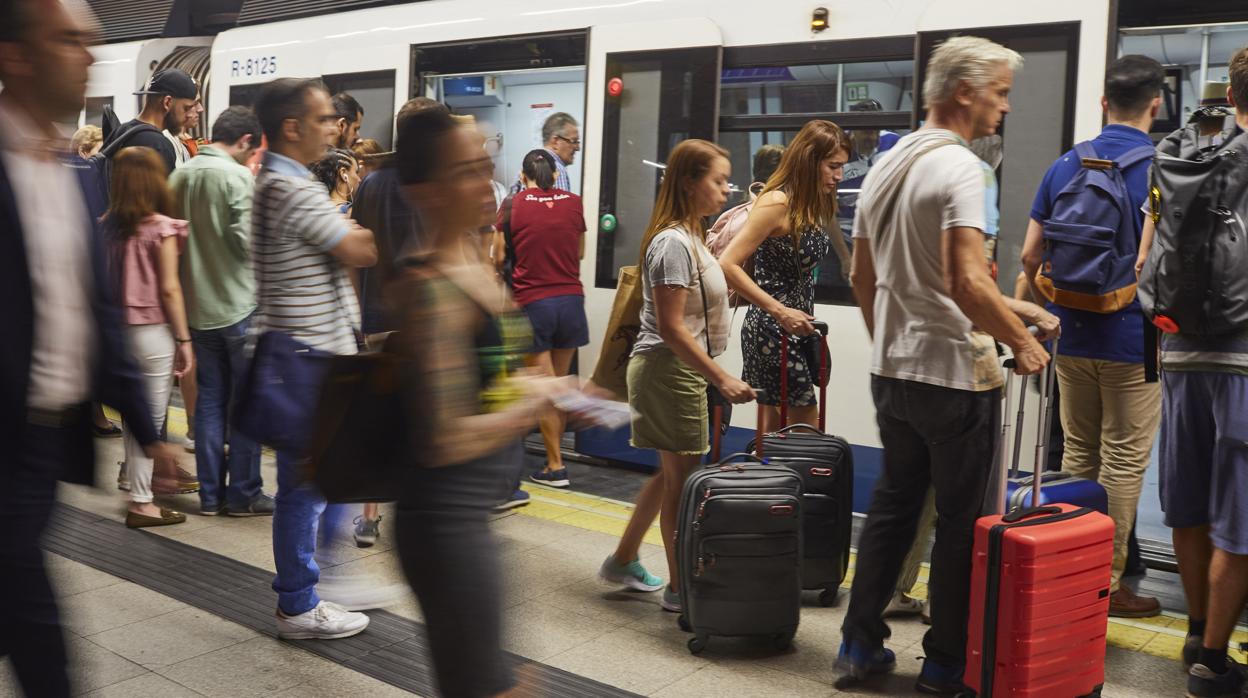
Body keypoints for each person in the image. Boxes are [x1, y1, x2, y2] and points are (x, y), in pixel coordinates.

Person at [840, 36, 1059, 693]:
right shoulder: (965, 169)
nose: (1005, 108)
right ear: (964, 92)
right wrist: (1020, 341)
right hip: (955, 379)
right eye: (999, 93)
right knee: (963, 523)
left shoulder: (885, 162)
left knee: (893, 506)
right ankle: (943, 665)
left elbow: (862, 275)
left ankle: (858, 644)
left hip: (893, 373)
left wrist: (896, 344)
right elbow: (965, 281)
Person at [0, 1, 183, 692]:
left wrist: (150, 429)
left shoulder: (74, 173)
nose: (89, 55)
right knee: (45, 646)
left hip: (46, 446)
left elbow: (96, 315)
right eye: (71, 40)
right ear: (15, 55)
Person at [390, 103, 572, 698]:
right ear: (424, 191)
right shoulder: (431, 289)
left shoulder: (474, 257)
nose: (483, 181)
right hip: (445, 527)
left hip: (471, 518)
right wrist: (536, 403)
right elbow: (444, 438)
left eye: (485, 164)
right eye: (465, 171)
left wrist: (545, 387)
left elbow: (484, 382)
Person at [1020, 55, 1166, 618]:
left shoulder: (1065, 165)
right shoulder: (1162, 168)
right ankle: (1102, 584)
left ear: (1104, 102)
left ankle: (1065, 567)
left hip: (1070, 339)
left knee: (1078, 452)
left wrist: (1051, 312)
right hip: (1134, 339)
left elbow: (1033, 254)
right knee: (1125, 461)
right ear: (1156, 104)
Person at [598, 139, 755, 613]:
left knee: (674, 476)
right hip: (670, 371)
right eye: (718, 180)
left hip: (683, 370)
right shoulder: (672, 243)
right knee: (683, 482)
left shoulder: (694, 238)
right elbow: (669, 328)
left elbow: (691, 313)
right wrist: (720, 378)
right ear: (689, 182)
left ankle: (624, 560)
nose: (726, 190)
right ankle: (680, 588)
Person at [252, 77, 381, 639]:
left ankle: (314, 583)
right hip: (306, 355)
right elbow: (362, 249)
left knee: (318, 478)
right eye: (325, 118)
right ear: (292, 127)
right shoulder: (292, 188)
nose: (335, 127)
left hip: (303, 352)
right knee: (305, 486)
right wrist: (353, 232)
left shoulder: (284, 183)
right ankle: (300, 603)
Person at [1145, 46, 1248, 698]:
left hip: (1180, 356)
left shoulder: (1183, 155)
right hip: (1243, 363)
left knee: (1187, 507)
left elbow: (1141, 267)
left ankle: (1196, 634)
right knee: (1240, 519)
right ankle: (1214, 661)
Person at [169, 104, 273, 517]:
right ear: (246, 141)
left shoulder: (179, 175)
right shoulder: (236, 178)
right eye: (253, 151)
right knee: (245, 404)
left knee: (209, 402)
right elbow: (250, 243)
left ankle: (210, 496)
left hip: (196, 309)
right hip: (238, 307)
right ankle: (243, 493)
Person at [718, 120, 848, 433]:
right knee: (805, 431)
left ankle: (765, 480)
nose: (839, 176)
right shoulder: (778, 203)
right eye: (833, 166)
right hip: (771, 331)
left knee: (773, 438)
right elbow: (728, 263)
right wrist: (779, 310)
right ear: (810, 160)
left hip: (796, 329)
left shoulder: (812, 203)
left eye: (842, 167)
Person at [105, 147, 198, 527]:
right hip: (153, 335)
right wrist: (183, 339)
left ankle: (139, 492)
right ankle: (143, 503)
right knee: (152, 418)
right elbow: (170, 290)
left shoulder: (105, 226)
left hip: (117, 332)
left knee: (133, 417)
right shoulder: (161, 227)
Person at [494, 149, 588, 489]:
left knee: (545, 388)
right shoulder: (574, 202)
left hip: (535, 303)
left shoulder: (512, 205)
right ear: (554, 173)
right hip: (571, 301)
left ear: (523, 176)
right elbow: (579, 252)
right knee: (559, 384)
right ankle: (555, 459)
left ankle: (555, 466)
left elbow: (498, 255)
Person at [104, 68, 198, 174]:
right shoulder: (158, 145)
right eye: (186, 108)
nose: (188, 115)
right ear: (167, 102)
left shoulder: (121, 131)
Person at [510, 112, 578, 194]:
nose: (577, 148)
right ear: (555, 141)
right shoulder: (556, 169)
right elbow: (561, 206)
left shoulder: (527, 164)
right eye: (574, 141)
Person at [310, 147, 360, 214]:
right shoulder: (352, 213)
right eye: (356, 172)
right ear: (343, 174)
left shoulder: (317, 211)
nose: (359, 179)